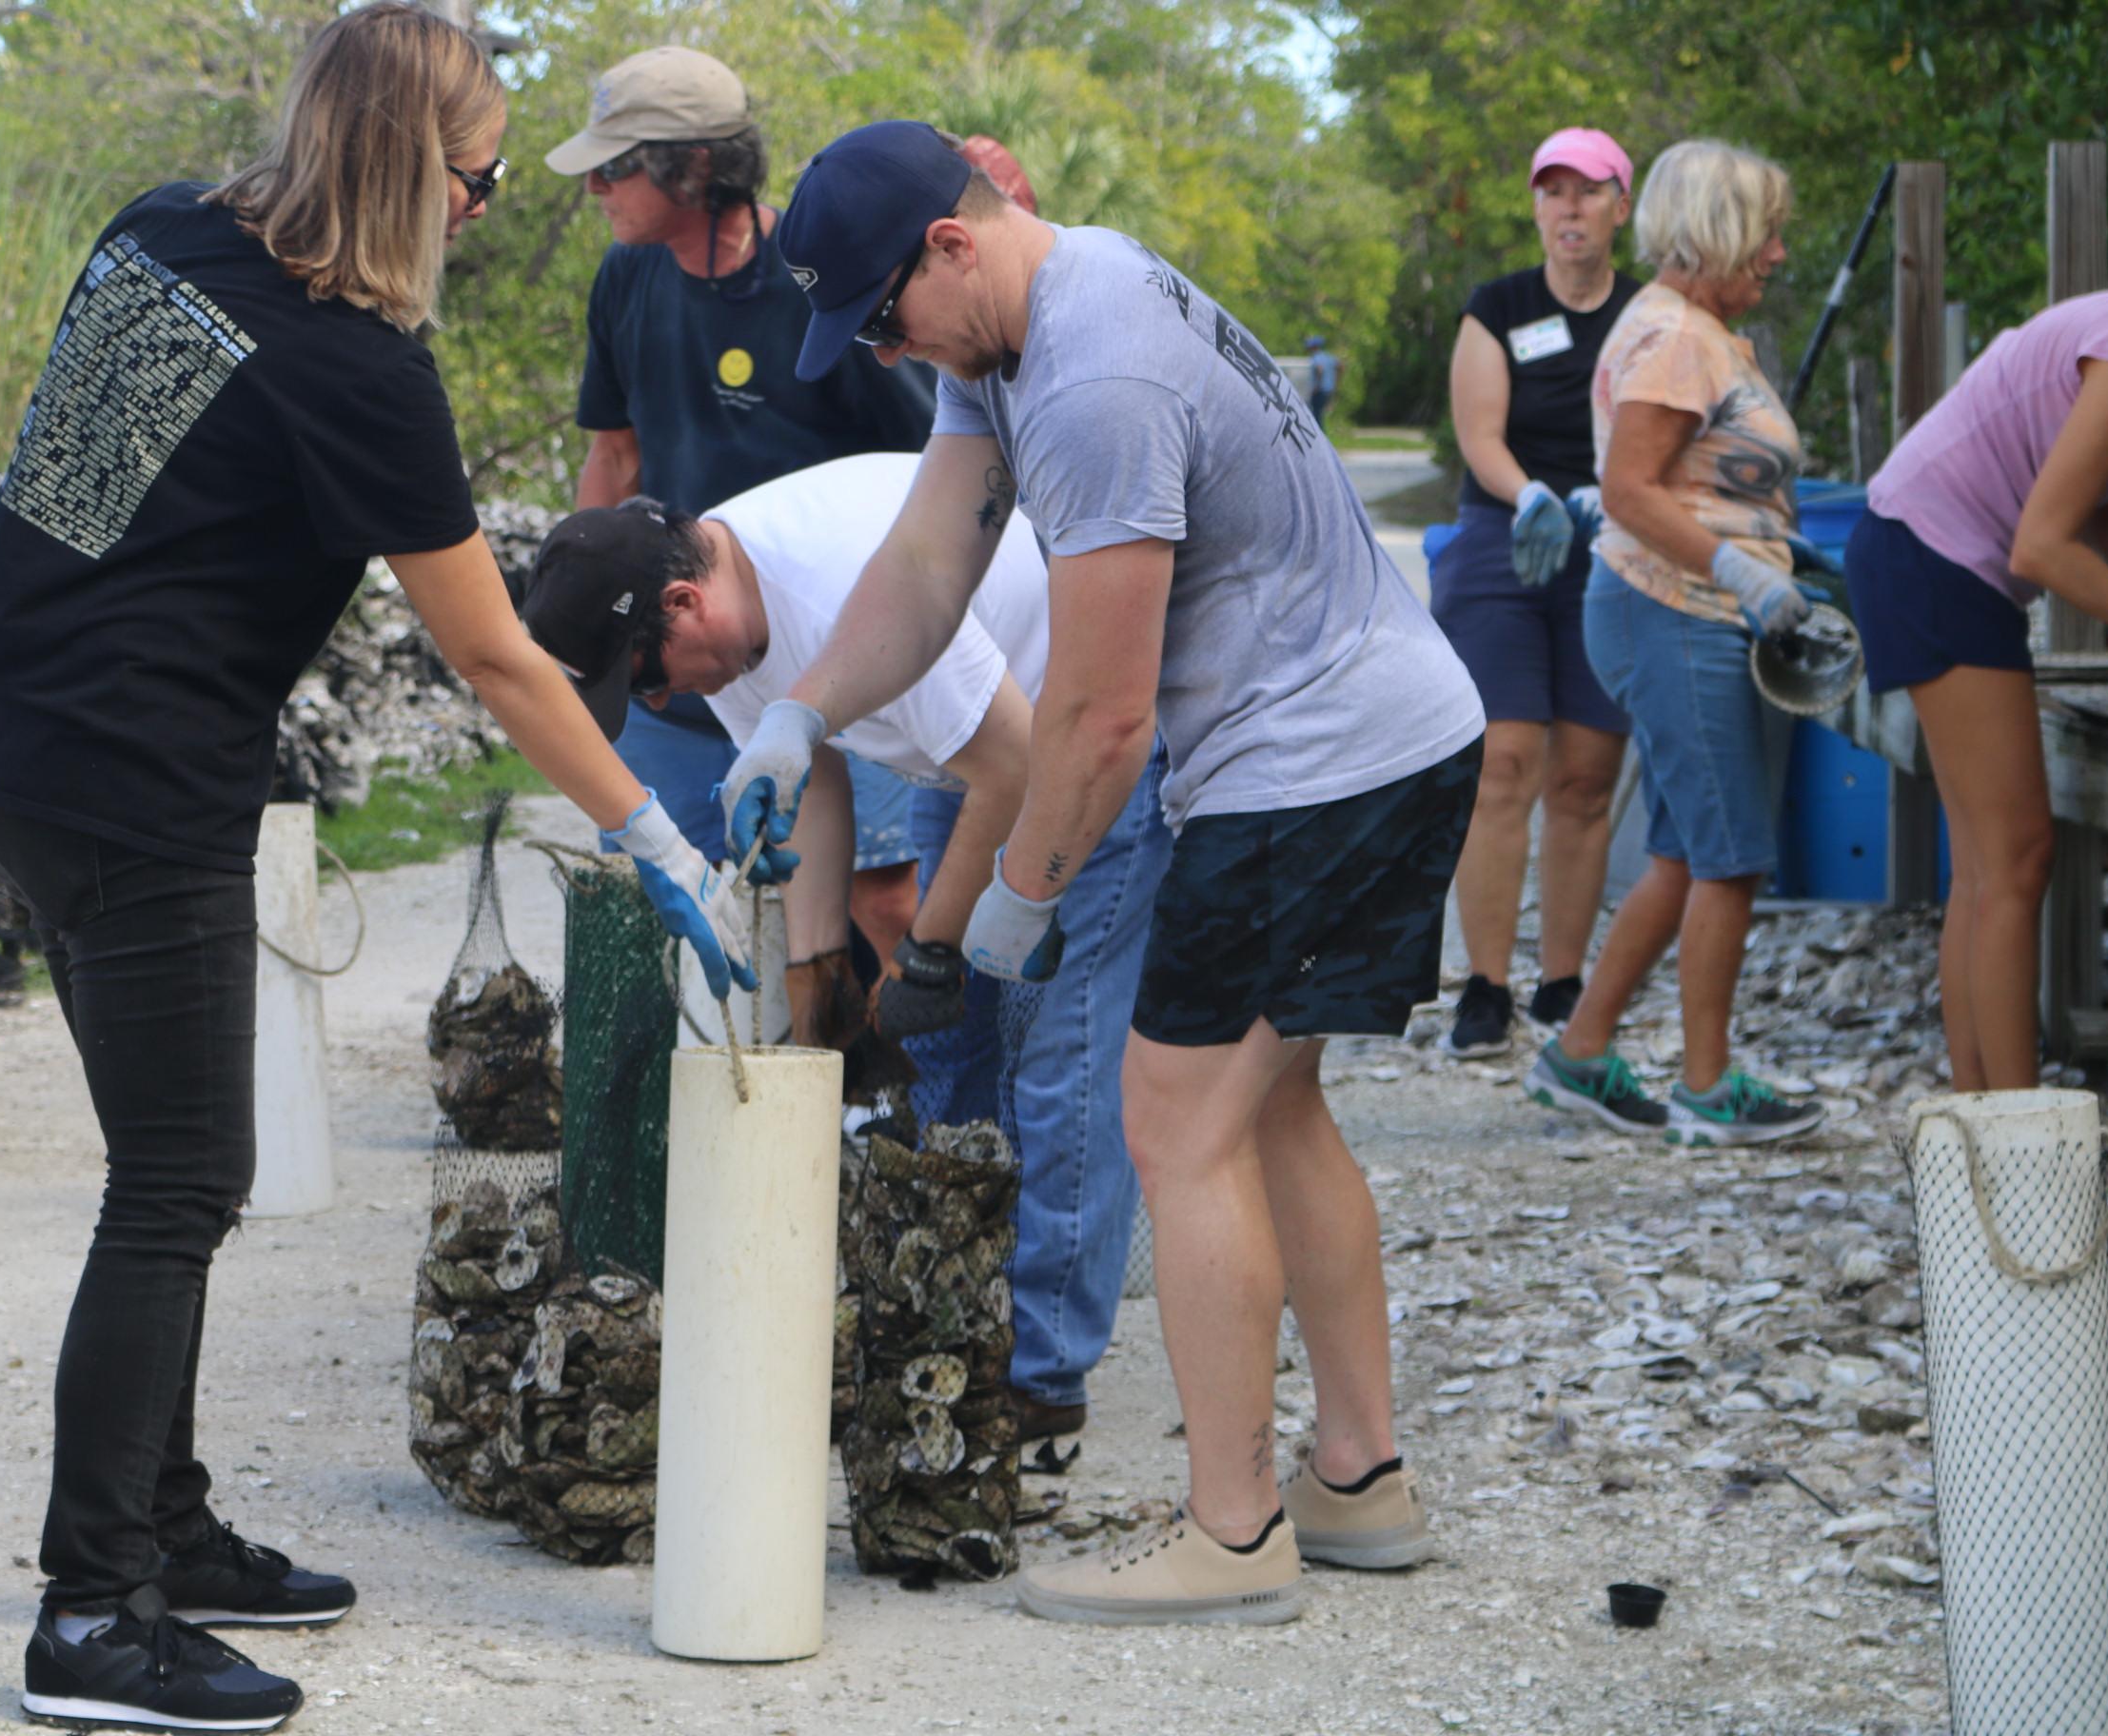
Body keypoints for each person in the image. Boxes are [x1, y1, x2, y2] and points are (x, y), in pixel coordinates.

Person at [0, 10, 751, 1729]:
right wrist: (653, 829)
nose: (490, 203)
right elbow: (501, 659)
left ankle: (163, 1522)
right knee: (177, 1178)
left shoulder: (170, 232)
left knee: (176, 1165)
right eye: (480, 172)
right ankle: (93, 1617)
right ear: (408, 166)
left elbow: (78, 501)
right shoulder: (355, 363)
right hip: (128, 776)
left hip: (16, 733)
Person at [739, 121, 1485, 1623]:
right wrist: (800, 708)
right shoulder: (1020, 326)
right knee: (1269, 1107)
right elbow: (928, 562)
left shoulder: (1096, 380)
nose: (886, 353)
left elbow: (1097, 714)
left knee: (1171, 1116)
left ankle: (1233, 1529)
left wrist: (1016, 899)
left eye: (884, 320)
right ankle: (1358, 1480)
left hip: (1315, 764)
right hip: (1377, 737)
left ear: (953, 243)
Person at [520, 452, 1169, 1463]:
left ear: (683, 604)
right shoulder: (730, 621)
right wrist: (816, 976)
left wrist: (926, 950)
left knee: (1060, 1058)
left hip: (1079, 740)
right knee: (952, 1058)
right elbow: (808, 767)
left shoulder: (841, 577)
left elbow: (1016, 763)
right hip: (977, 745)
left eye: (645, 678)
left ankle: (1041, 1378)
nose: (652, 705)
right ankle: (966, 1326)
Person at [546, 46, 936, 962]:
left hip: (836, 651)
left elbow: (926, 468)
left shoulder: (815, 281)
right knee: (655, 896)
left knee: (878, 903)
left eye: (611, 167)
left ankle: (891, 1104)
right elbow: (615, 456)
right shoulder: (627, 277)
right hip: (670, 656)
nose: (594, 189)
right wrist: (574, 633)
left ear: (690, 166)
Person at [1526, 139, 1825, 1147]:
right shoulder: (1677, 338)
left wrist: (1777, 552)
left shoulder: (1689, 329)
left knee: (1681, 854)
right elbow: (1630, 491)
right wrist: (1739, 570)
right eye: (1766, 234)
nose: (1778, 255)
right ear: (1718, 232)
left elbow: (1695, 480)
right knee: (1731, 859)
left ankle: (1581, 1051)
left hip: (1680, 611)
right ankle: (1707, 1086)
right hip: (1678, 614)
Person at [1844, 280, 2108, 1090]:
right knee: (2017, 863)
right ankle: (2018, 1150)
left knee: (1991, 872)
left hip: (1917, 552)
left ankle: (1976, 1141)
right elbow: (2043, 549)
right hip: (1931, 558)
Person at [1433, 128, 1640, 1057]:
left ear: (1620, 206)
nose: (1569, 209)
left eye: (1588, 192)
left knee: (1588, 775)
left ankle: (1562, 982)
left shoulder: (1650, 314)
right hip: (1506, 541)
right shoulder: (1499, 306)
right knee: (1504, 760)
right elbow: (1479, 431)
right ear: (1536, 207)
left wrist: (1615, 496)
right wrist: (1534, 496)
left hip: (1616, 542)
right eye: (1552, 192)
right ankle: (1487, 985)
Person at [1303, 335, 1340, 424]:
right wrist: (1337, 382)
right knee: (1320, 415)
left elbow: (1320, 370)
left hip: (1319, 390)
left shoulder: (1316, 357)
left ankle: (1319, 436)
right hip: (1329, 390)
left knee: (1316, 416)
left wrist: (1317, 386)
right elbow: (1341, 366)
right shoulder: (1328, 357)